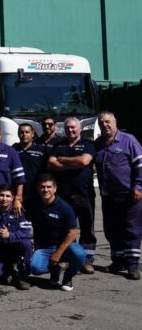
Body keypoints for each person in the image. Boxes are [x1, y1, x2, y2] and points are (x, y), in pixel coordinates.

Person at [94, 111, 142, 280]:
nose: (104, 125)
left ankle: (132, 266)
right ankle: (118, 261)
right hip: (108, 196)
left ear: (115, 122)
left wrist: (138, 186)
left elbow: (140, 165)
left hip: (130, 195)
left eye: (107, 122)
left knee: (131, 230)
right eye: (101, 123)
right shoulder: (98, 143)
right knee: (112, 230)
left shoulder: (129, 140)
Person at [48, 117, 96, 273]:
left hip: (84, 194)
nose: (70, 130)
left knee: (87, 228)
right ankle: (71, 258)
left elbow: (84, 161)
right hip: (63, 195)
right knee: (67, 228)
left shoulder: (88, 144)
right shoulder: (58, 145)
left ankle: (87, 260)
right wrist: (72, 164)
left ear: (80, 129)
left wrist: (64, 160)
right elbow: (52, 164)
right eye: (68, 128)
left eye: (73, 127)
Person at [28, 174, 86, 292]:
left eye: (49, 187)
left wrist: (58, 254)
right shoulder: (32, 202)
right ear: (38, 189)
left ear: (55, 189)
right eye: (42, 187)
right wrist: (17, 201)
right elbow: (17, 203)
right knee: (35, 268)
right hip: (45, 247)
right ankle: (55, 269)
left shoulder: (64, 207)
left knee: (79, 254)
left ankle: (68, 277)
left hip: (65, 246)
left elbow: (73, 232)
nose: (45, 190)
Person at [0, 185, 33, 290]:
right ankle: (7, 271)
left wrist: (10, 235)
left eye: (8, 196)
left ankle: (22, 276)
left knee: (27, 243)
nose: (4, 199)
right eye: (2, 195)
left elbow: (26, 233)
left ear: (12, 197)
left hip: (15, 248)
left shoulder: (20, 211)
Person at [12, 123, 46, 200]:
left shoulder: (41, 150)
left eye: (27, 132)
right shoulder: (12, 149)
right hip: (16, 191)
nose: (24, 134)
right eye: (21, 132)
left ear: (32, 134)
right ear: (18, 134)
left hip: (36, 191)